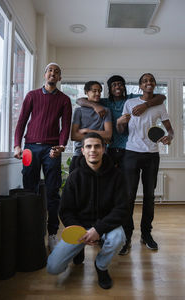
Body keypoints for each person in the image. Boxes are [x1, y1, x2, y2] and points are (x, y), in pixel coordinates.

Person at [47, 132, 128, 289]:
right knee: (53, 267)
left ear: (104, 149)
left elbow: (122, 209)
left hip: (105, 226)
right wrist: (81, 233)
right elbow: (65, 211)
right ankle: (79, 250)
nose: (93, 150)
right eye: (88, 146)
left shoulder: (117, 176)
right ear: (82, 150)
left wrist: (98, 229)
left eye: (97, 146)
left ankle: (101, 266)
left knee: (119, 237)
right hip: (80, 228)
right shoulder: (74, 177)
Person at [14, 62, 72, 251]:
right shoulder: (32, 95)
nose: (53, 73)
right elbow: (21, 121)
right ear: (44, 75)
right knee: (30, 190)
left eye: (56, 71)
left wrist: (61, 146)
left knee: (53, 191)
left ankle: (53, 233)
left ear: (59, 78)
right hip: (30, 148)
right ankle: (31, 232)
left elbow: (66, 127)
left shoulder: (64, 100)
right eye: (50, 71)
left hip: (52, 149)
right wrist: (16, 145)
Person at [117, 73, 174, 255]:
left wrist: (168, 138)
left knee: (149, 196)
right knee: (128, 196)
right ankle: (126, 236)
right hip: (131, 153)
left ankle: (146, 234)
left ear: (155, 84)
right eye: (145, 81)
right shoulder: (130, 103)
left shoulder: (159, 104)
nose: (149, 82)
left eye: (151, 80)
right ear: (140, 86)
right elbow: (121, 129)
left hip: (151, 155)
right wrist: (120, 122)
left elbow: (170, 130)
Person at [77, 75, 166, 169]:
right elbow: (79, 101)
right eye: (114, 85)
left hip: (129, 149)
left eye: (120, 84)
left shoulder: (132, 99)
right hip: (110, 148)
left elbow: (162, 97)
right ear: (110, 89)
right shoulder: (105, 102)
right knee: (111, 179)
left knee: (126, 181)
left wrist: (145, 105)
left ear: (124, 87)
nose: (117, 87)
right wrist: (94, 106)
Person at [70, 81, 112, 172]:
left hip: (101, 155)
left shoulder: (106, 111)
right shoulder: (78, 111)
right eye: (94, 91)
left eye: (100, 91)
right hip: (80, 154)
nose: (98, 93)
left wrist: (88, 131)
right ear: (86, 92)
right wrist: (101, 138)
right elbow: (74, 136)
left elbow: (108, 135)